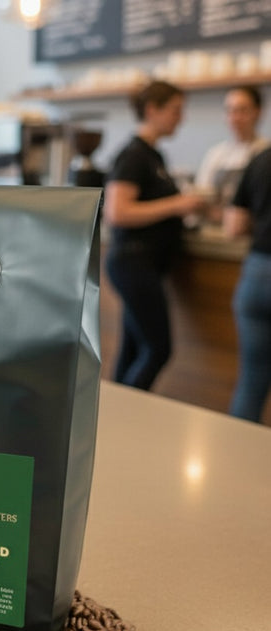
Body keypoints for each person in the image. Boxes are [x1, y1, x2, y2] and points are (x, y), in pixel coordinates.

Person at [103, 80, 208, 390]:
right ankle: (127, 413)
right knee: (158, 349)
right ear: (152, 110)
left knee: (134, 348)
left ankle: (112, 419)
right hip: (132, 263)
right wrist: (176, 204)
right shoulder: (134, 156)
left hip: (143, 264)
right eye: (175, 110)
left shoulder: (154, 156)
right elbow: (117, 212)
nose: (181, 118)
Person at [224, 147, 271, 422]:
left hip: (255, 273)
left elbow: (234, 226)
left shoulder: (260, 160)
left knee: (251, 381)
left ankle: (236, 460)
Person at [196, 86, 269, 221]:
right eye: (230, 110)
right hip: (218, 231)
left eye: (242, 110)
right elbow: (202, 195)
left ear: (258, 112)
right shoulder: (216, 154)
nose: (235, 118)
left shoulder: (265, 154)